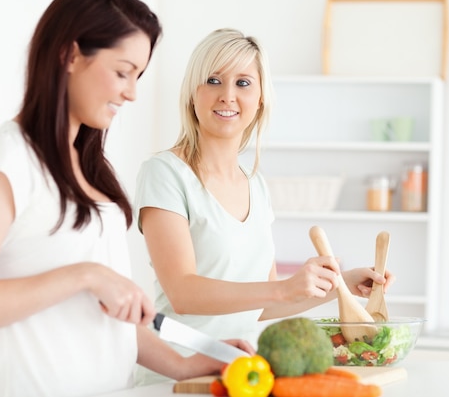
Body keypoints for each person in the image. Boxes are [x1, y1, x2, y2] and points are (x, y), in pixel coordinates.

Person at [0, 0, 253, 397]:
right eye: (123, 72)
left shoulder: (89, 170)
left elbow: (108, 316)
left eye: (138, 76)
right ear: (70, 54)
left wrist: (185, 363)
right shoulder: (6, 161)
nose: (132, 92)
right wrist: (86, 275)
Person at [134, 28, 395, 384]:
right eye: (213, 80)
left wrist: (342, 285)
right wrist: (284, 288)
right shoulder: (164, 173)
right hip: (177, 373)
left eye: (243, 83)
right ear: (193, 94)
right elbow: (183, 292)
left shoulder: (255, 184)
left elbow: (264, 305)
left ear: (259, 99)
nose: (227, 95)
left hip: (242, 373)